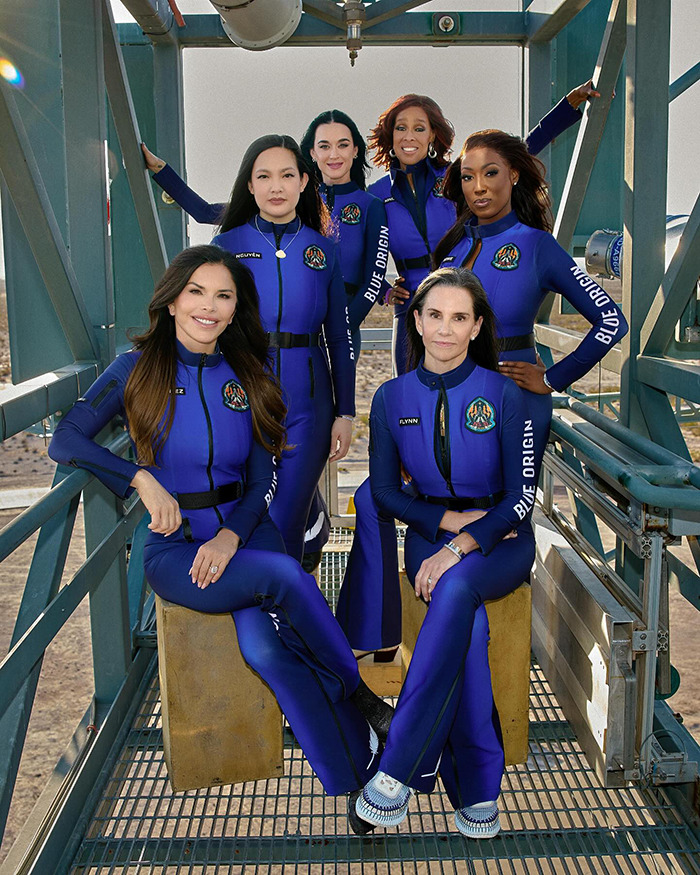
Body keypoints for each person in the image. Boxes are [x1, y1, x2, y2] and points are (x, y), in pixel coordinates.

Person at [48, 245, 392, 807]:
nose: (209, 306)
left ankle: (355, 778)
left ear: (236, 309)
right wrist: (140, 478)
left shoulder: (249, 375)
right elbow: (67, 439)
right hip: (176, 546)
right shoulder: (134, 369)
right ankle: (363, 700)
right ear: (173, 298)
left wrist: (232, 536)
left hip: (245, 531)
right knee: (285, 577)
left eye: (224, 295)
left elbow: (261, 484)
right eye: (197, 292)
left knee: (267, 651)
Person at [336, 125, 628, 660]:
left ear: (513, 176)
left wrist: (553, 378)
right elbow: (435, 314)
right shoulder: (459, 242)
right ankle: (371, 640)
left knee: (491, 510)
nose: (478, 187)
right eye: (467, 177)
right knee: (370, 498)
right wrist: (406, 293)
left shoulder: (537, 246)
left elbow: (611, 320)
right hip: (439, 400)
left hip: (511, 399)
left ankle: (446, 614)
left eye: (491, 174)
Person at [352, 268, 536, 837]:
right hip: (433, 530)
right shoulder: (390, 397)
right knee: (469, 629)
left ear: (477, 326)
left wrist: (463, 543)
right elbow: (383, 493)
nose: (446, 330)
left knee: (457, 589)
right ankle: (477, 786)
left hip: (501, 536)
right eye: (435, 315)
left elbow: (523, 496)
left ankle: (399, 766)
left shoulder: (505, 394)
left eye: (460, 318)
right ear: (416, 320)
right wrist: (449, 526)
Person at [367, 81, 601, 376]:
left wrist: (567, 107)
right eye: (401, 128)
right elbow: (351, 255)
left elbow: (516, 151)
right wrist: (384, 292)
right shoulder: (375, 195)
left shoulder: (457, 176)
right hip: (413, 311)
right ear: (390, 136)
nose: (409, 136)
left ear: (433, 135)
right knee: (411, 405)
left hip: (464, 308)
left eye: (419, 128)